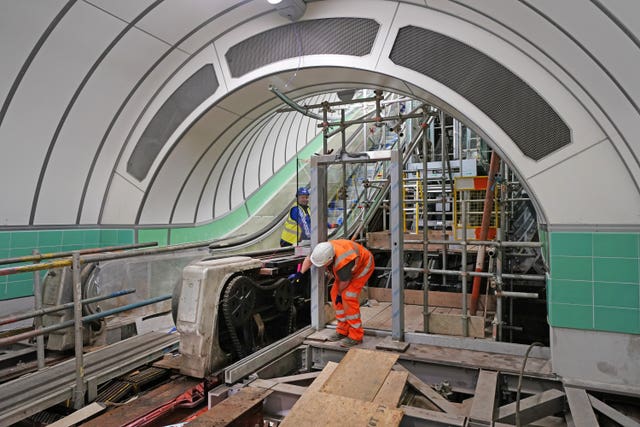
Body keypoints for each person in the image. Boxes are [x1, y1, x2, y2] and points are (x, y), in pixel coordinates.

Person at [289, 239, 374, 347]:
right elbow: (309, 259)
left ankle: (356, 336)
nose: (321, 267)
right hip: (348, 268)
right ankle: (342, 330)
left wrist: (340, 294)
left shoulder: (343, 263)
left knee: (348, 296)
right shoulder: (321, 251)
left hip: (364, 265)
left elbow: (344, 282)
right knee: (334, 294)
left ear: (330, 259)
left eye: (324, 264)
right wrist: (299, 274)